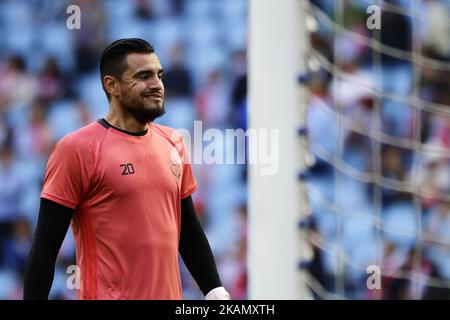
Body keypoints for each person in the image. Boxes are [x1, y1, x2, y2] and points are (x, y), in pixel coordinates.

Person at [23, 38, 230, 300]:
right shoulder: (76, 149)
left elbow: (187, 230)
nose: (156, 84)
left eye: (159, 75)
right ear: (112, 85)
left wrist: (214, 289)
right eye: (143, 76)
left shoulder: (174, 142)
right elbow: (45, 247)